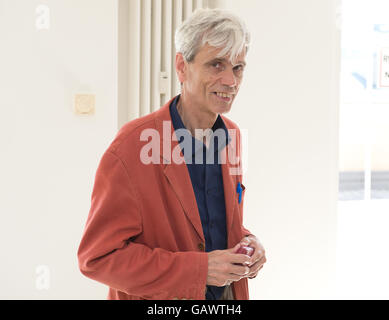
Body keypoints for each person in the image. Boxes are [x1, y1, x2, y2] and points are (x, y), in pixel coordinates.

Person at [77, 8, 266, 300]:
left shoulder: (232, 136)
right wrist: (198, 271)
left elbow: (213, 225)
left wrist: (248, 243)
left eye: (238, 67)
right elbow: (98, 258)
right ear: (181, 67)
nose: (231, 81)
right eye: (216, 65)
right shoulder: (131, 146)